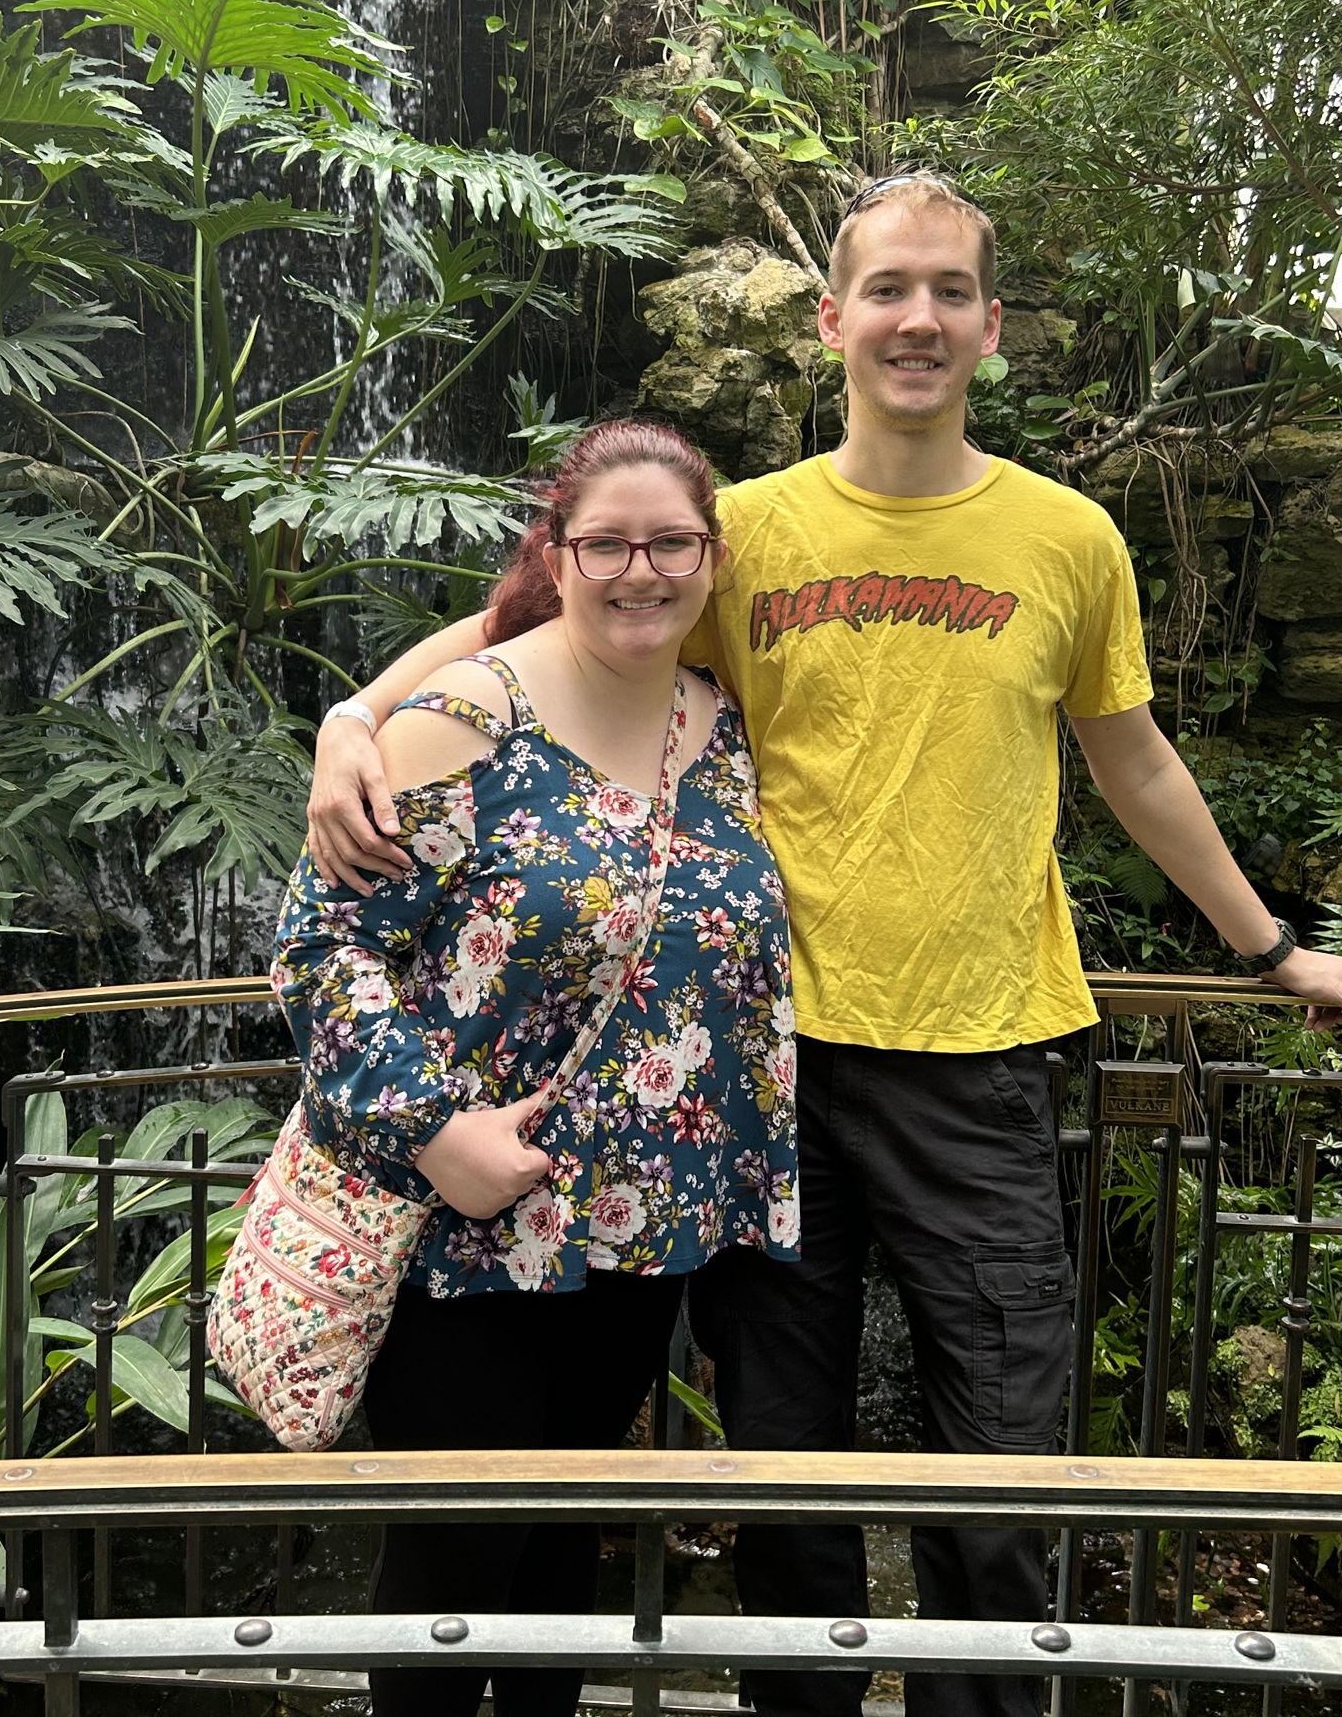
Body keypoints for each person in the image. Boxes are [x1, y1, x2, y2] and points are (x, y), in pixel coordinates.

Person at [304, 172, 1342, 1717]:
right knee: (787, 1452)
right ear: (833, 320)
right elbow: (518, 637)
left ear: (992, 327)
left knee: (1006, 1451)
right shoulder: (735, 534)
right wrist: (355, 720)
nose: (919, 318)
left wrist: (1269, 945)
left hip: (986, 1056)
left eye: (951, 291)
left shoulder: (1068, 539)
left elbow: (1133, 759)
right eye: (888, 289)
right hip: (770, 1069)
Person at [273, 416, 800, 1717]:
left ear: (712, 559)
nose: (641, 571)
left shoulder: (723, 728)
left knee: (565, 1557)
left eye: (670, 543)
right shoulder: (465, 719)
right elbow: (317, 948)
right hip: (468, 1238)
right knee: (456, 1570)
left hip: (636, 1248)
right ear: (556, 556)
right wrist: (436, 1129)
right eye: (608, 543)